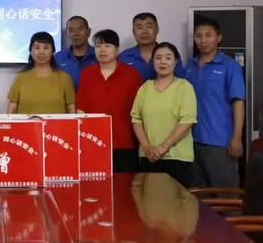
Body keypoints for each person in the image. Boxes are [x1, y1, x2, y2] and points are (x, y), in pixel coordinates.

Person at [185, 19, 245, 190]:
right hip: (191, 141)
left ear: (218, 38)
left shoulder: (230, 66)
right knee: (198, 196)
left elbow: (238, 102)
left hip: (220, 142)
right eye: (198, 36)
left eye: (208, 35)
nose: (203, 40)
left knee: (225, 195)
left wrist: (236, 138)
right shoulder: (189, 66)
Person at [131, 42, 197, 187]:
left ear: (175, 62)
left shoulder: (184, 87)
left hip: (177, 157)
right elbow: (136, 119)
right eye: (158, 57)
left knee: (174, 199)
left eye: (168, 58)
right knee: (149, 198)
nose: (163, 62)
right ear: (153, 61)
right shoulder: (145, 88)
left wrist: (163, 146)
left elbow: (187, 120)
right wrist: (146, 146)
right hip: (148, 156)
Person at [76, 29, 143, 173]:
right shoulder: (87, 74)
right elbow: (80, 109)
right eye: (98, 46)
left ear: (117, 49)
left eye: (107, 46)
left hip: (124, 142)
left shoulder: (131, 75)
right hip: (92, 142)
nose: (102, 50)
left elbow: (139, 111)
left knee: (123, 183)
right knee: (95, 183)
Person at [7, 32, 76, 115]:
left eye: (46, 48)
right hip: (26, 123)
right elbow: (12, 107)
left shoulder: (64, 77)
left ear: (53, 51)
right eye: (37, 48)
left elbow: (70, 107)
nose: (41, 52)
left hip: (56, 123)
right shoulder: (21, 77)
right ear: (31, 50)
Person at [119, 13, 185, 82]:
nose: (144, 31)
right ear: (133, 32)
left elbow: (181, 81)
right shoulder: (123, 57)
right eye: (139, 28)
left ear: (157, 30)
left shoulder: (170, 54)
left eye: (149, 27)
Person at [54, 16, 98, 90]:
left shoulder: (99, 56)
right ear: (67, 33)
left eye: (80, 29)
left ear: (89, 31)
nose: (75, 33)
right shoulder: (58, 58)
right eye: (71, 30)